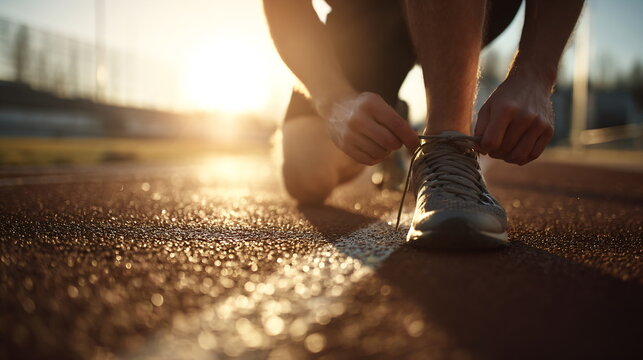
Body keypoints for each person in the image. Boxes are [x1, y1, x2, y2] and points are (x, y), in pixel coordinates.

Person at [263, 0, 584, 249]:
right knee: (305, 176)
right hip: (364, 20)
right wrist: (334, 101)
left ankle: (447, 145)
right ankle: (392, 116)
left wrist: (535, 74)